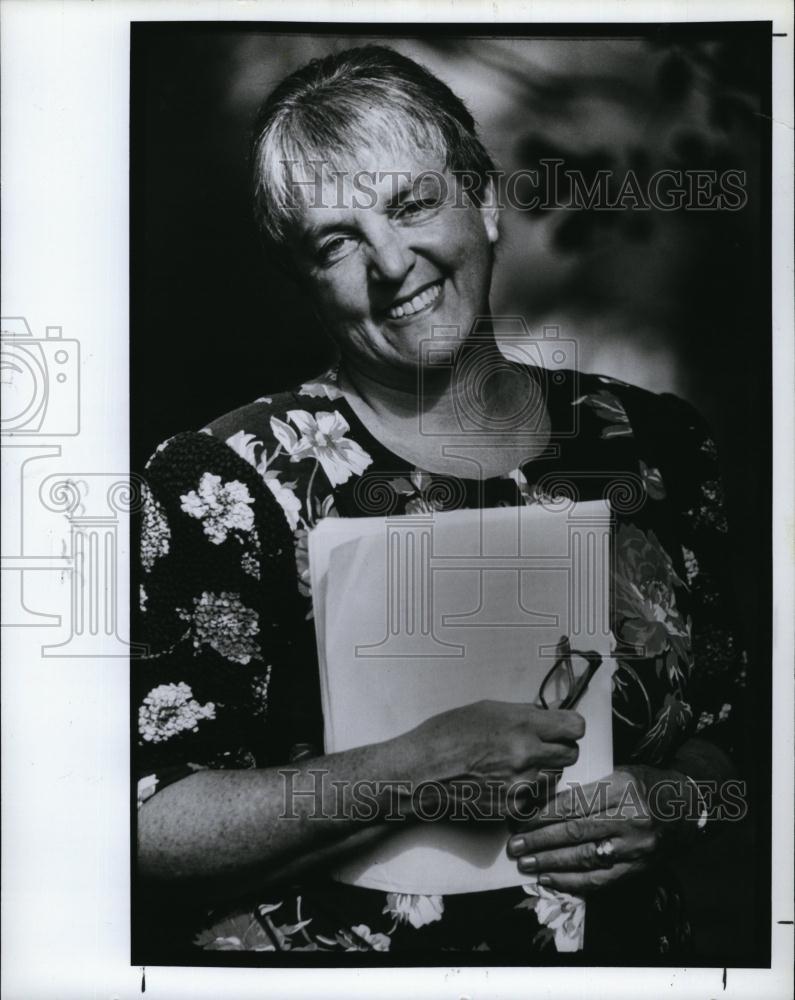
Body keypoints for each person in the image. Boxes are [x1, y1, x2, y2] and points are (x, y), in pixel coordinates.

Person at [134, 45, 747, 960]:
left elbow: (733, 749)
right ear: (301, 278)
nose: (390, 262)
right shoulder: (220, 481)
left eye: (412, 204)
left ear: (485, 201)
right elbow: (145, 830)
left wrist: (679, 800)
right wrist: (406, 772)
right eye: (335, 242)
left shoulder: (657, 448)